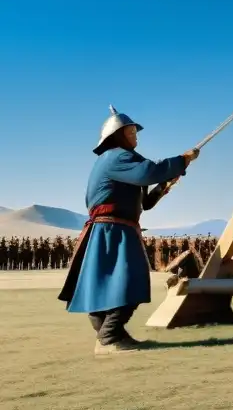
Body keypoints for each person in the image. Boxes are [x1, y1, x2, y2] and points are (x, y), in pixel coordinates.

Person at [58, 106, 199, 355]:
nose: (136, 136)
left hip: (113, 230)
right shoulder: (117, 157)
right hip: (112, 231)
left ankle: (111, 336)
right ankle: (109, 337)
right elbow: (150, 171)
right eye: (131, 132)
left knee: (106, 285)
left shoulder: (120, 161)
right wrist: (182, 160)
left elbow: (145, 202)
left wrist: (166, 182)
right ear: (117, 135)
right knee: (130, 281)